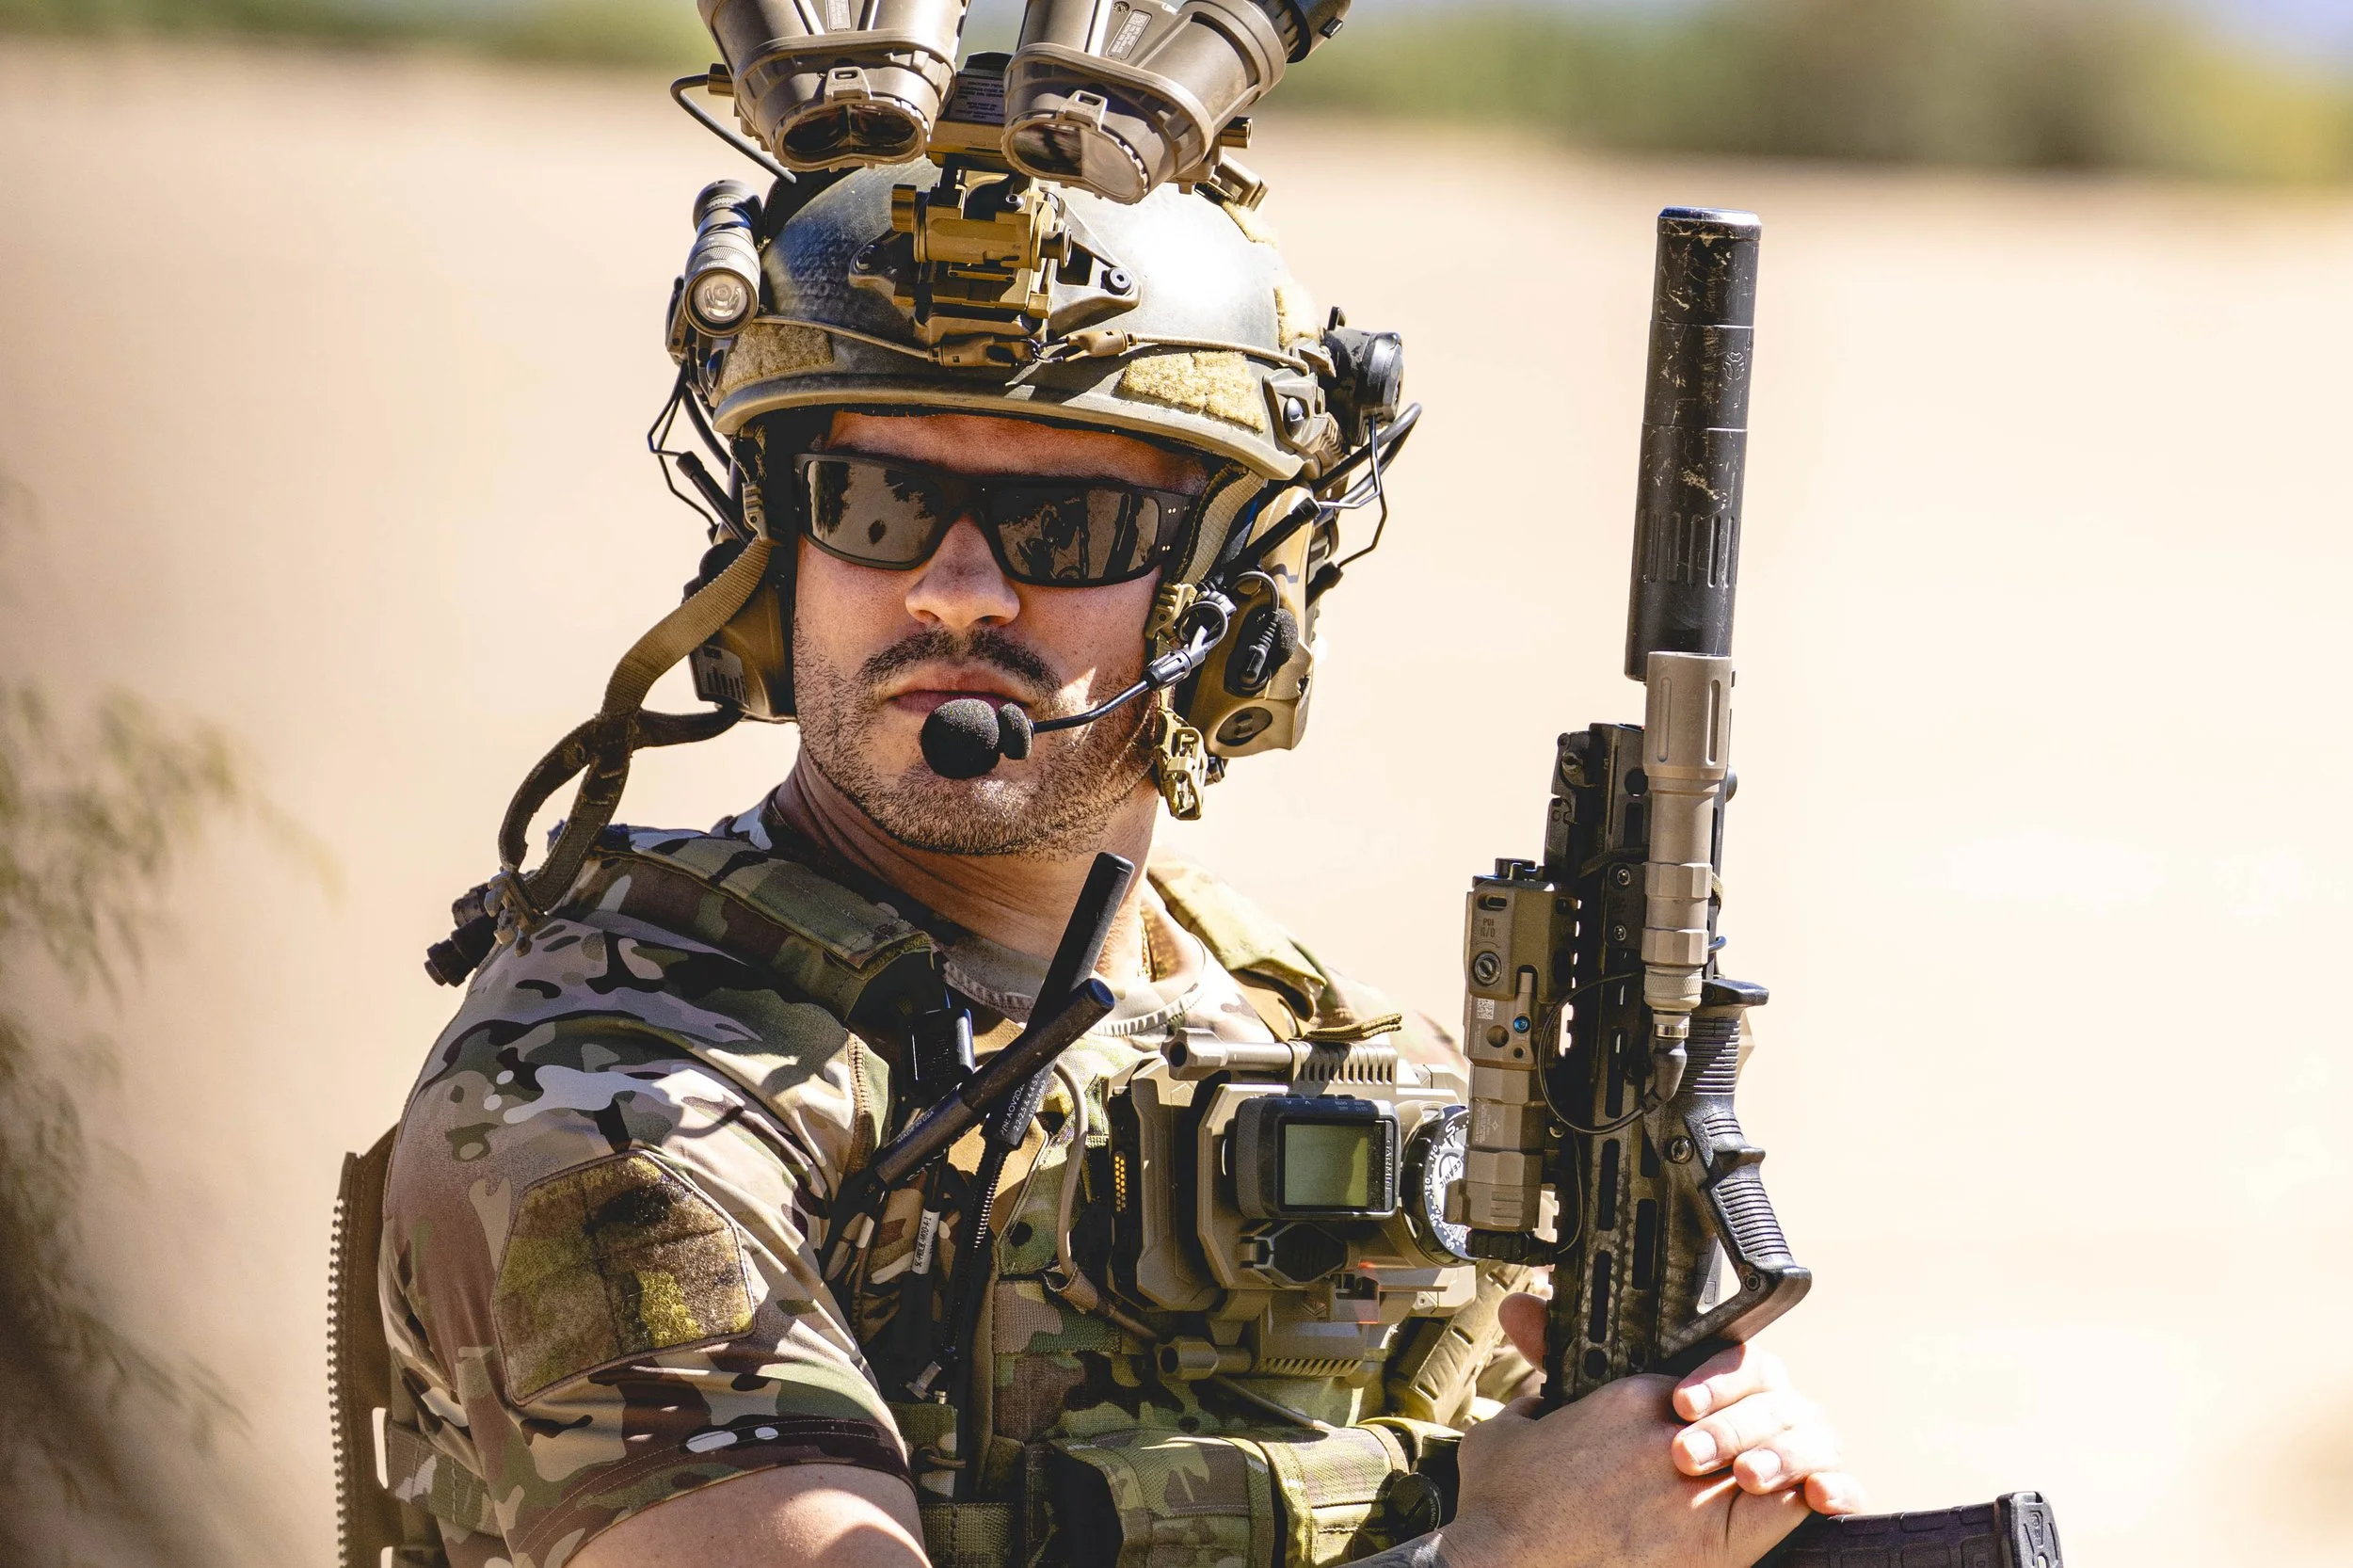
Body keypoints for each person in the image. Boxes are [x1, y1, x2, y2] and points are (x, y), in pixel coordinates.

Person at [340, 145, 1859, 1568]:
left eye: (1062, 524)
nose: (951, 591)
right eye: (875, 504)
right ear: (769, 558)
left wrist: (1669, 1472)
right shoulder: (604, 1106)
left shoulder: (1318, 1042)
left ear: (1231, 605)